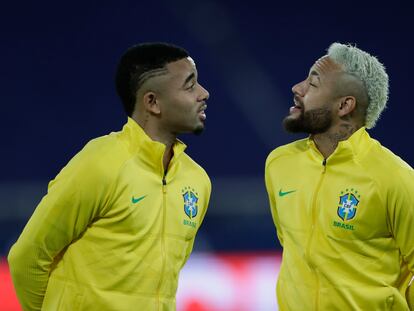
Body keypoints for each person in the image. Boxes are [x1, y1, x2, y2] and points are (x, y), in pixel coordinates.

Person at [8, 42, 211, 310]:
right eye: (189, 85)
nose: (204, 93)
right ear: (152, 102)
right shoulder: (100, 163)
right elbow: (28, 257)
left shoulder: (197, 181)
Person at [265, 43, 414, 310]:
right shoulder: (279, 164)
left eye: (313, 83)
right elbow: (292, 247)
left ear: (345, 105)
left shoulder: (396, 178)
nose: (297, 88)